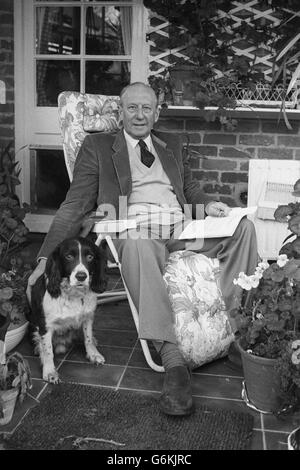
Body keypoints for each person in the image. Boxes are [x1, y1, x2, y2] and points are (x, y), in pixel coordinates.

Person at [27, 82, 258, 416]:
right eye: (131, 107)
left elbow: (188, 188)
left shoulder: (172, 143)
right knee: (137, 243)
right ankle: (173, 361)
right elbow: (74, 204)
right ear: (120, 112)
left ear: (156, 111)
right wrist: (44, 258)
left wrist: (208, 206)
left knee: (244, 227)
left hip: (182, 226)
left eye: (146, 107)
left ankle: (239, 335)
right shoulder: (98, 146)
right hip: (134, 228)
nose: (139, 114)